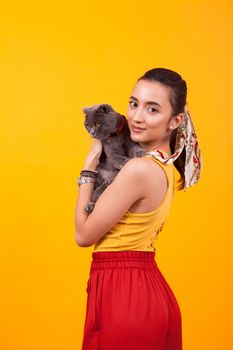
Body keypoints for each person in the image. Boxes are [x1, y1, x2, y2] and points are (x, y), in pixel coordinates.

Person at [74, 68, 202, 350]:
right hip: (138, 290)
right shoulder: (162, 165)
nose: (136, 116)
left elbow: (83, 234)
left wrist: (90, 164)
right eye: (133, 103)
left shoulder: (139, 169)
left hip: (127, 298)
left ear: (175, 121)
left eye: (152, 109)